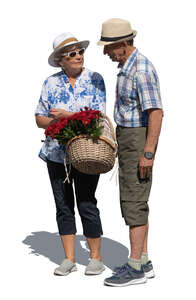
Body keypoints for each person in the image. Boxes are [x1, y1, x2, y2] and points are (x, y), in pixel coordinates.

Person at [97, 18, 163, 287]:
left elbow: (156, 112)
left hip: (138, 140)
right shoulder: (128, 66)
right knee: (135, 199)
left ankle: (134, 267)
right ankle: (143, 261)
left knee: (134, 202)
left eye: (109, 47)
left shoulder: (141, 70)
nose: (106, 52)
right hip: (129, 137)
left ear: (123, 44)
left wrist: (148, 152)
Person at [35, 32, 106, 276]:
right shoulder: (50, 83)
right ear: (60, 60)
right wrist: (53, 123)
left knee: (87, 202)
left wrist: (67, 117)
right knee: (63, 205)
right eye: (72, 53)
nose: (78, 56)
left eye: (80, 52)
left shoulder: (95, 79)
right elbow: (39, 118)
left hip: (86, 153)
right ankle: (69, 259)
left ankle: (95, 258)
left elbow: (98, 116)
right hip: (56, 154)